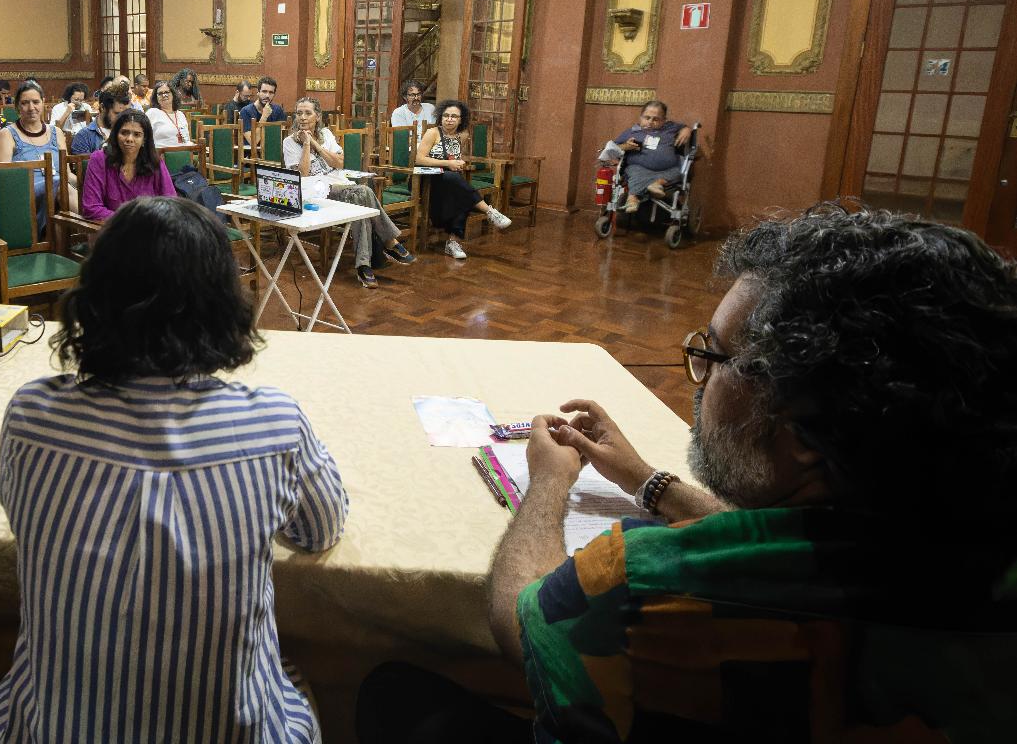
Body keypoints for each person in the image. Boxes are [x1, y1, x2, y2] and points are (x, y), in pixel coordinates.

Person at [359, 205, 1017, 742]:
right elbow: (798, 546)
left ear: (803, 425)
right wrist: (649, 481)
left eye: (711, 354)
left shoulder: (638, 581)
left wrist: (549, 482)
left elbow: (522, 621)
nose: (697, 380)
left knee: (394, 692)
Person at [0, 195, 347, 743]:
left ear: (93, 298)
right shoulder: (273, 423)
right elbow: (322, 528)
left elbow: (18, 511)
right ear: (223, 303)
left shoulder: (32, 415)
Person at [284, 98, 415, 287]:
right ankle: (389, 241)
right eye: (299, 113)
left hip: (341, 186)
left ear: (318, 116)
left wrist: (316, 144)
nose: (302, 118)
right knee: (364, 192)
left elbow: (339, 163)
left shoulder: (326, 134)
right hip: (317, 193)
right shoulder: (289, 142)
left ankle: (363, 266)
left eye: (307, 113)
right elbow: (302, 175)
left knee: (360, 204)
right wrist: (305, 145)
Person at [414, 100, 511, 260]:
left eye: (454, 116)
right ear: (440, 117)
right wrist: (448, 163)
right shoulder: (433, 133)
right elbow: (419, 159)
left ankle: (453, 242)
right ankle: (490, 212)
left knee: (460, 192)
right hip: (427, 179)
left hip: (450, 181)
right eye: (446, 115)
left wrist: (458, 164)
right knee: (457, 183)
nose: (449, 119)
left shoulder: (462, 136)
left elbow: (456, 158)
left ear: (461, 119)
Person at [0, 80, 76, 225]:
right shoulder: (7, 134)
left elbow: (67, 174)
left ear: (43, 102)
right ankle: (98, 232)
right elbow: (3, 182)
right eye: (25, 103)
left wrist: (89, 183)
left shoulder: (56, 132)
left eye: (35, 102)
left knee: (69, 190)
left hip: (61, 195)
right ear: (17, 106)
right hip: (26, 197)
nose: (31, 107)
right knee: (59, 184)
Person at [79, 109, 176, 221]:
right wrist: (131, 222)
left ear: (144, 139)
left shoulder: (155, 163)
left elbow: (171, 204)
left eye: (137, 134)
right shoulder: (99, 159)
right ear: (115, 135)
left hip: (150, 231)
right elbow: (91, 208)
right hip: (111, 231)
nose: (129, 139)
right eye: (124, 133)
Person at [614, 99, 693, 213]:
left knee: (680, 170)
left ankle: (652, 186)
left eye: (656, 119)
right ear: (640, 117)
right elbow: (615, 147)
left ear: (664, 120)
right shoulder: (632, 131)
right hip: (639, 169)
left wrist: (686, 130)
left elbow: (684, 127)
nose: (650, 122)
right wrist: (626, 146)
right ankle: (636, 196)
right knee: (634, 171)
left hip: (668, 169)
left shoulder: (670, 128)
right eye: (647, 118)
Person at [70, 84, 130, 155]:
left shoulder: (130, 133)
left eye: (124, 114)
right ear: (102, 107)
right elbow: (85, 165)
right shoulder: (84, 136)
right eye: (117, 113)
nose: (121, 118)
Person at [144, 79, 191, 148]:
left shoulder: (180, 115)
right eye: (160, 93)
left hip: (183, 154)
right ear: (156, 97)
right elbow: (144, 138)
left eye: (167, 92)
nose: (164, 95)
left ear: (173, 94)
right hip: (160, 156)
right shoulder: (152, 113)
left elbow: (187, 139)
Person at [239, 76, 285, 144]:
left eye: (271, 92)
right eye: (264, 91)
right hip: (251, 153)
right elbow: (253, 142)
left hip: (273, 150)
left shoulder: (278, 110)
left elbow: (281, 138)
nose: (267, 95)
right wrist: (264, 116)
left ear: (274, 94)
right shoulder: (246, 111)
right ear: (258, 92)